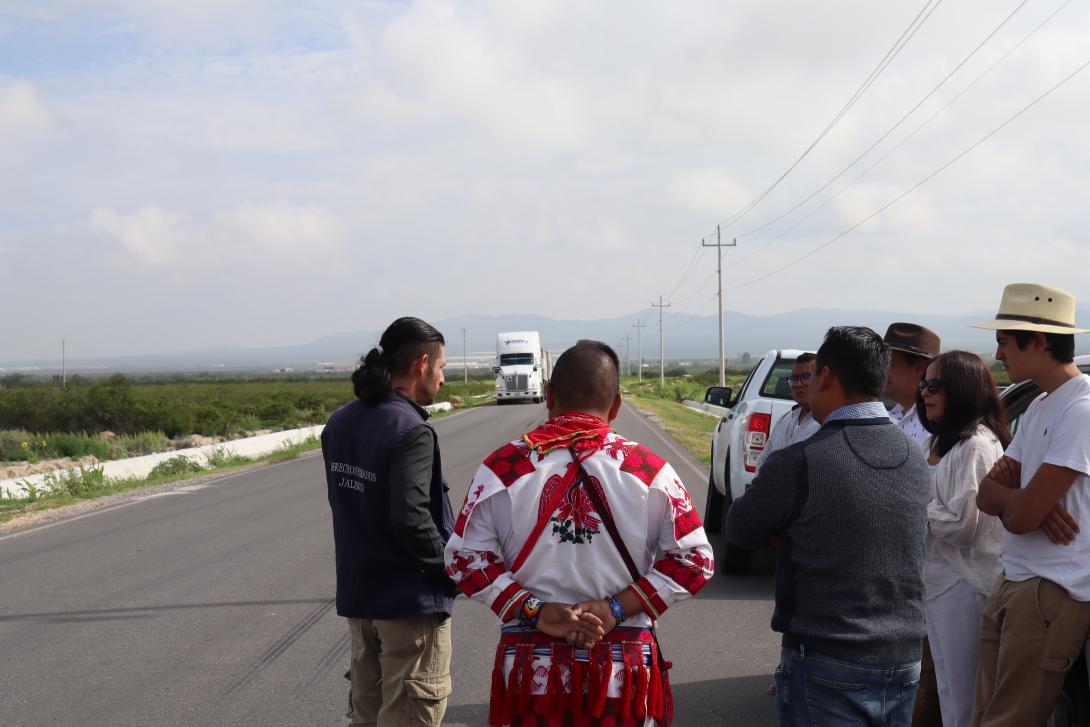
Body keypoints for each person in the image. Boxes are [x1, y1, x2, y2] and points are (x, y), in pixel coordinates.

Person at [444, 340, 713, 726]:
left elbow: (461, 559)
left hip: (531, 673)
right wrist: (614, 609)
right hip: (623, 676)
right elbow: (696, 562)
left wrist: (534, 610)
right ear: (616, 405)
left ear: (549, 395)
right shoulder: (648, 470)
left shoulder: (504, 467)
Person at [726, 326, 930, 726]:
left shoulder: (801, 461)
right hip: (903, 658)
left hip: (826, 658)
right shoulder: (913, 454)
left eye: (813, 373)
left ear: (829, 377)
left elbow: (739, 527)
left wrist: (787, 530)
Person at [321, 317, 459, 727]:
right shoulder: (410, 429)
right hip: (407, 605)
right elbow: (412, 518)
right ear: (421, 365)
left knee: (367, 716)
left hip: (361, 598)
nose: (443, 378)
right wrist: (450, 571)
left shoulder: (341, 422)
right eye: (442, 367)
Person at [971, 283, 1090, 726]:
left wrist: (1023, 502)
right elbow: (986, 494)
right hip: (1016, 580)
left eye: (1004, 342)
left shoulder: (1080, 411)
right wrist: (1026, 498)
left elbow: (1019, 519)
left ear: (1038, 342)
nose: (998, 354)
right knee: (984, 712)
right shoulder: (1041, 405)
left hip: (1049, 592)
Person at [915, 351, 1010, 727]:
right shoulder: (934, 444)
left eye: (934, 384)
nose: (924, 392)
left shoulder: (976, 447)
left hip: (965, 586)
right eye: (923, 383)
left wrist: (917, 508)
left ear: (963, 388)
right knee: (948, 692)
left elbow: (966, 525)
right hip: (936, 583)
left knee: (965, 697)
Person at [756, 353, 819, 470]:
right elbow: (762, 461)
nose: (798, 384)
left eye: (806, 377)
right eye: (794, 379)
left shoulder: (827, 423)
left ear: (822, 380)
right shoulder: (785, 419)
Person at [884, 322, 942, 447]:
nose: (881, 371)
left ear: (919, 368)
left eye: (889, 364)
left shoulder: (936, 424)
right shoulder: (890, 416)